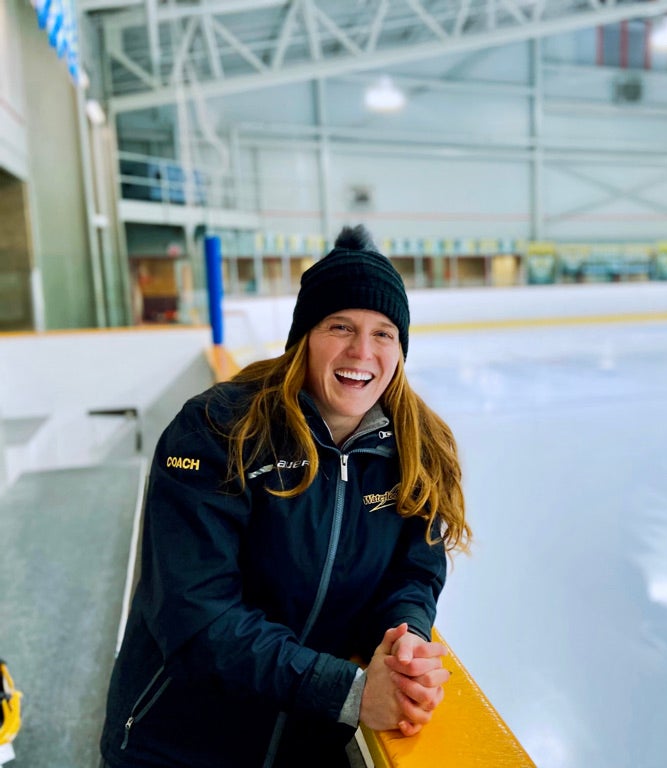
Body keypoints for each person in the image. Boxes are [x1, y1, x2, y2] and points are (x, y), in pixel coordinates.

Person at [100, 225, 471, 767]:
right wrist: (349, 692)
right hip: (177, 746)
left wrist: (406, 635)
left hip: (307, 747)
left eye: (384, 332)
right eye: (339, 326)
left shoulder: (420, 449)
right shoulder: (217, 430)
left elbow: (412, 572)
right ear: (304, 337)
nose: (361, 351)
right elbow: (197, 614)